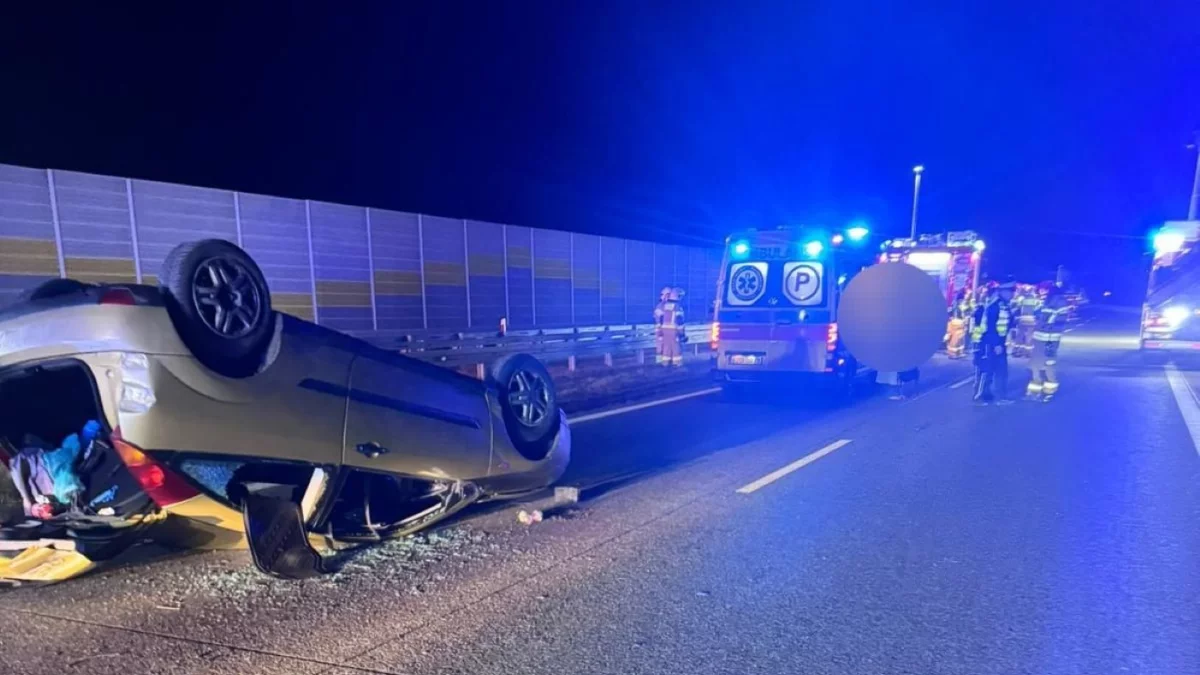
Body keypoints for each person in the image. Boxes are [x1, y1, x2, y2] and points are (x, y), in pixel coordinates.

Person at [972, 280, 1015, 405]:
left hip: (999, 342)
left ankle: (1000, 397)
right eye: (1010, 292)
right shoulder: (995, 306)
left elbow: (1007, 324)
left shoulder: (1004, 305)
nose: (1012, 294)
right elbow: (990, 326)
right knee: (987, 370)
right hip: (990, 343)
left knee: (1001, 370)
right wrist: (996, 344)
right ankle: (981, 396)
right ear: (1002, 292)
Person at [1026, 284, 1068, 401]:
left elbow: (1052, 322)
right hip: (1043, 338)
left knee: (1046, 364)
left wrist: (1042, 323)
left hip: (1049, 339)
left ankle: (1047, 391)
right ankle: (1039, 390)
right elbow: (1038, 316)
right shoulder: (1047, 302)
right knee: (1039, 363)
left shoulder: (1058, 304)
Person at [655, 287, 685, 367]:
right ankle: (677, 364)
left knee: (666, 348)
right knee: (676, 348)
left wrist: (661, 331)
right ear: (678, 296)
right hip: (674, 331)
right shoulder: (677, 307)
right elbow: (680, 321)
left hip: (665, 331)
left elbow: (660, 319)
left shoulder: (664, 306)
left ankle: (665, 363)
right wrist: (682, 334)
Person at [946, 290, 970, 359]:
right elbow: (964, 311)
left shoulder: (954, 303)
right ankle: (954, 354)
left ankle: (956, 353)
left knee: (956, 340)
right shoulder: (960, 304)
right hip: (958, 322)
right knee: (956, 340)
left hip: (954, 322)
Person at [653, 287, 671, 365]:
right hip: (661, 332)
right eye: (667, 295)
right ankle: (660, 364)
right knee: (660, 349)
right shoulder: (659, 307)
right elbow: (660, 318)